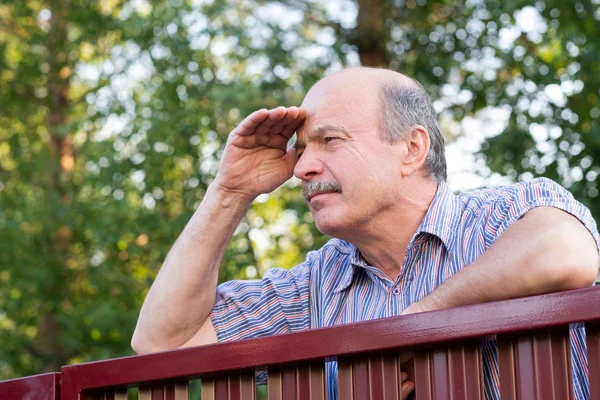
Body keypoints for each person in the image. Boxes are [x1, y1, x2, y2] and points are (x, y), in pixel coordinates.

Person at [132, 67, 600, 399]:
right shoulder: (314, 285)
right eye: (301, 150)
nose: (303, 168)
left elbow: (564, 254)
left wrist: (415, 326)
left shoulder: (503, 215)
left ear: (412, 149)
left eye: (330, 140)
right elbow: (163, 341)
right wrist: (228, 192)